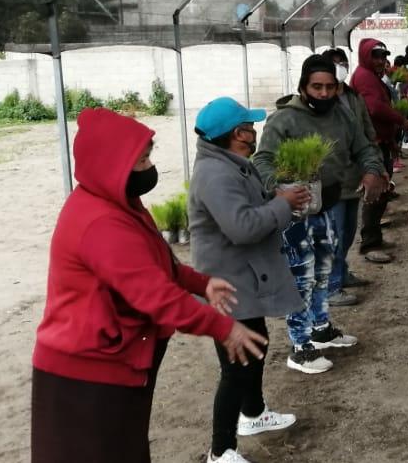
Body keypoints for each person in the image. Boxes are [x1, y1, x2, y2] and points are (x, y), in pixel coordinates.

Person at [32, 108, 264, 463]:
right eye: (141, 161)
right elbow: (155, 296)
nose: (150, 167)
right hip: (85, 374)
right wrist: (223, 328)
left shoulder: (122, 204)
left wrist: (200, 283)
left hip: (115, 364)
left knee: (127, 449)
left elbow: (155, 262)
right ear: (111, 166)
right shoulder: (101, 223)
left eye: (147, 157)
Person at [189, 98, 307, 463]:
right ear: (238, 134)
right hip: (226, 285)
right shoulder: (216, 174)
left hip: (242, 277)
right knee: (236, 366)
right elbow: (242, 227)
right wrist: (282, 204)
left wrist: (278, 199)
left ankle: (253, 414)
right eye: (249, 127)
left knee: (255, 346)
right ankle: (221, 451)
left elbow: (252, 206)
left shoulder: (232, 165)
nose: (254, 132)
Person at [253, 55, 385, 374]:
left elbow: (364, 147)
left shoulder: (342, 114)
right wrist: (278, 190)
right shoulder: (283, 120)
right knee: (301, 275)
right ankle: (300, 347)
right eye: (317, 87)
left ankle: (321, 328)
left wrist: (372, 170)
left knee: (324, 268)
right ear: (303, 86)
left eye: (330, 87)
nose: (324, 93)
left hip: (326, 204)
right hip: (293, 213)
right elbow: (262, 161)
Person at [320, 48, 381, 307]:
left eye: (343, 62)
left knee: (347, 233)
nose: (340, 68)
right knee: (334, 234)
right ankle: (331, 286)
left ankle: (342, 273)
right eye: (334, 64)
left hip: (354, 176)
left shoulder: (353, 97)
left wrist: (375, 163)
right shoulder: (323, 102)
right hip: (333, 180)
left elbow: (366, 130)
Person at [349, 39, 407, 262]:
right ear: (366, 56)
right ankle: (370, 244)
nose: (381, 60)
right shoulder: (365, 76)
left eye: (383, 56)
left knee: (381, 190)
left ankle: (374, 236)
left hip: (379, 141)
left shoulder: (371, 76)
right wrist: (400, 119)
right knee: (375, 191)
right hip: (372, 143)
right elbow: (374, 108)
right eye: (376, 56)